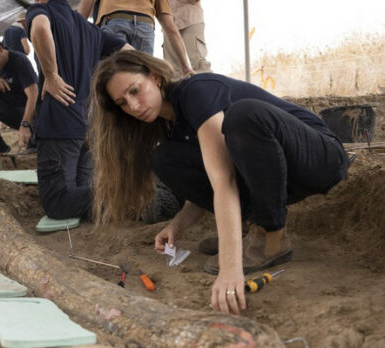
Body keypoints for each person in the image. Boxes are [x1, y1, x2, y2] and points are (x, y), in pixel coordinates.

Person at [89, 50, 349, 315]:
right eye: (122, 103)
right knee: (165, 159)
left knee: (243, 115)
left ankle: (271, 235)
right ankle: (250, 229)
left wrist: (230, 269)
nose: (133, 106)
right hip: (276, 174)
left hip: (318, 158)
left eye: (135, 90)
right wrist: (177, 226)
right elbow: (213, 174)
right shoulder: (169, 126)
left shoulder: (196, 91)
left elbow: (224, 180)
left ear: (155, 78)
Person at [26, 0, 131, 219]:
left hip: (60, 122)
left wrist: (52, 75)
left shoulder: (40, 11)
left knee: (58, 202)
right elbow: (129, 52)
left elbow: (40, 28)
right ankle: (134, 200)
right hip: (89, 124)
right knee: (83, 195)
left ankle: (134, 200)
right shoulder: (90, 28)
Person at [77, 0, 194, 75]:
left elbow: (83, 12)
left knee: (111, 80)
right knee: (141, 80)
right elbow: (171, 29)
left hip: (114, 20)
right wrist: (185, 67)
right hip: (145, 27)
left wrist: (74, 33)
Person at [164, 0, 211, 77]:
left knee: (199, 63)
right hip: (168, 22)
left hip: (191, 19)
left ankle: (208, 87)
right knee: (171, 68)